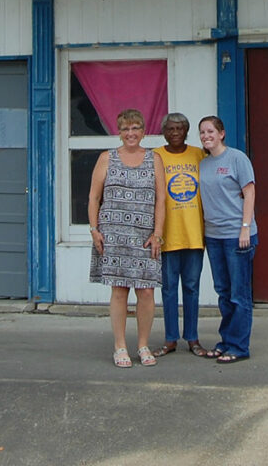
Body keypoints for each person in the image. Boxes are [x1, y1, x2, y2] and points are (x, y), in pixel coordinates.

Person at [88, 108, 166, 368]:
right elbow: (94, 198)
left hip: (145, 237)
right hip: (113, 236)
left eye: (135, 128)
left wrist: (158, 234)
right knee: (119, 291)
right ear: (119, 132)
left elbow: (161, 200)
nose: (130, 133)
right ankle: (119, 346)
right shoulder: (106, 158)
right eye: (125, 129)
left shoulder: (154, 159)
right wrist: (94, 229)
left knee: (146, 292)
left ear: (143, 131)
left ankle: (143, 345)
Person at [198, 115, 257, 364]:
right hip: (214, 236)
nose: (206, 136)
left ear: (221, 134)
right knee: (223, 292)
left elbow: (250, 192)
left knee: (239, 294)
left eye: (210, 131)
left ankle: (239, 346)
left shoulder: (236, 158)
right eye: (202, 132)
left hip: (237, 236)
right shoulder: (203, 164)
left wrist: (245, 227)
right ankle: (226, 341)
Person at [152, 112, 208, 357]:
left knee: (192, 287)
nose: (175, 133)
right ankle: (170, 338)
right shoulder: (155, 155)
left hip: (194, 233)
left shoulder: (199, 154)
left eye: (180, 129)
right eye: (170, 129)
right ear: (164, 132)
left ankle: (193, 338)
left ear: (186, 131)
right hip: (167, 234)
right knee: (168, 288)